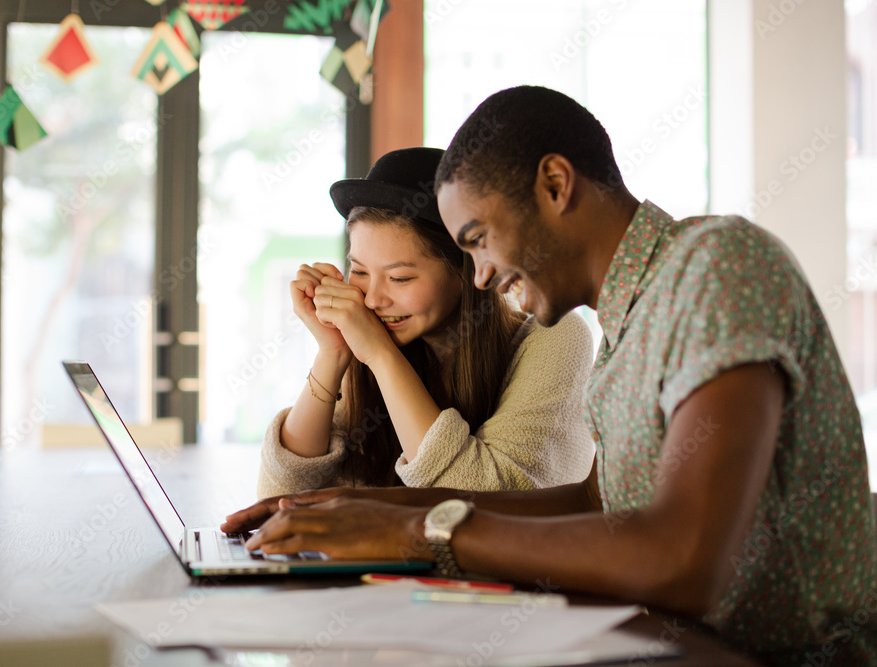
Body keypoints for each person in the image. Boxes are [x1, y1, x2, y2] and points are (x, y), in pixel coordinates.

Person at [224, 88, 877, 665]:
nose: (478, 275)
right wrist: (365, 506)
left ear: (556, 185)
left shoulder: (716, 266)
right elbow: (590, 502)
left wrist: (416, 532)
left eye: (478, 239)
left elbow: (685, 557)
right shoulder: (626, 317)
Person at [256, 147, 596, 499]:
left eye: (400, 278)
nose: (372, 300)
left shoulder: (555, 336)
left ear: (466, 272)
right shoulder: (369, 341)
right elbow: (277, 498)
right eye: (358, 271)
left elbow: (490, 501)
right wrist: (332, 353)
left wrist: (382, 356)